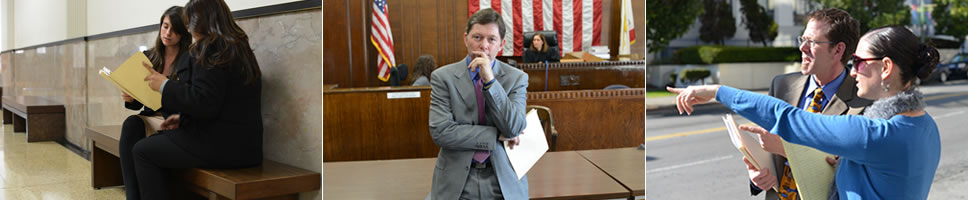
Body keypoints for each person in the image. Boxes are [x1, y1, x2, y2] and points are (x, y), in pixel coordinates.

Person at [669, 25, 941, 200]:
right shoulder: (927, 126)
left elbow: (787, 118)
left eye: (858, 61)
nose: (853, 68)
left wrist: (717, 91)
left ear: (885, 67)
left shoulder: (875, 134)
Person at [131, 0, 265, 199]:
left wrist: (164, 86)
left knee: (143, 150)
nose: (187, 27)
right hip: (245, 145)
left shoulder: (210, 47)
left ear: (197, 21)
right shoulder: (238, 45)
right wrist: (182, 119)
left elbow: (204, 102)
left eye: (187, 22)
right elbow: (218, 100)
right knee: (158, 140)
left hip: (221, 146)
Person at [744, 8, 871, 200]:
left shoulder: (865, 102)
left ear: (838, 50)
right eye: (802, 40)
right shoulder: (781, 86)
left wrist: (787, 149)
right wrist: (756, 177)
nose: (802, 48)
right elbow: (766, 153)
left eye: (811, 42)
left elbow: (856, 173)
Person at [428, 8, 529, 200]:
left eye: (491, 39)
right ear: (466, 38)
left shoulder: (517, 78)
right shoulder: (443, 78)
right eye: (477, 37)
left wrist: (490, 81)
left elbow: (514, 127)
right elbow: (441, 131)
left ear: (501, 44)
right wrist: (495, 135)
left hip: (503, 179)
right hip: (457, 180)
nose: (483, 46)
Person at [118, 6, 192, 200]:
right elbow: (138, 104)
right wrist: (130, 98)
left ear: (183, 33)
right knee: (131, 125)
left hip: (175, 119)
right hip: (153, 117)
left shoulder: (189, 59)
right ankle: (132, 196)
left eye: (174, 29)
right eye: (165, 26)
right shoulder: (149, 57)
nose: (168, 33)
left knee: (146, 146)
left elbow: (189, 98)